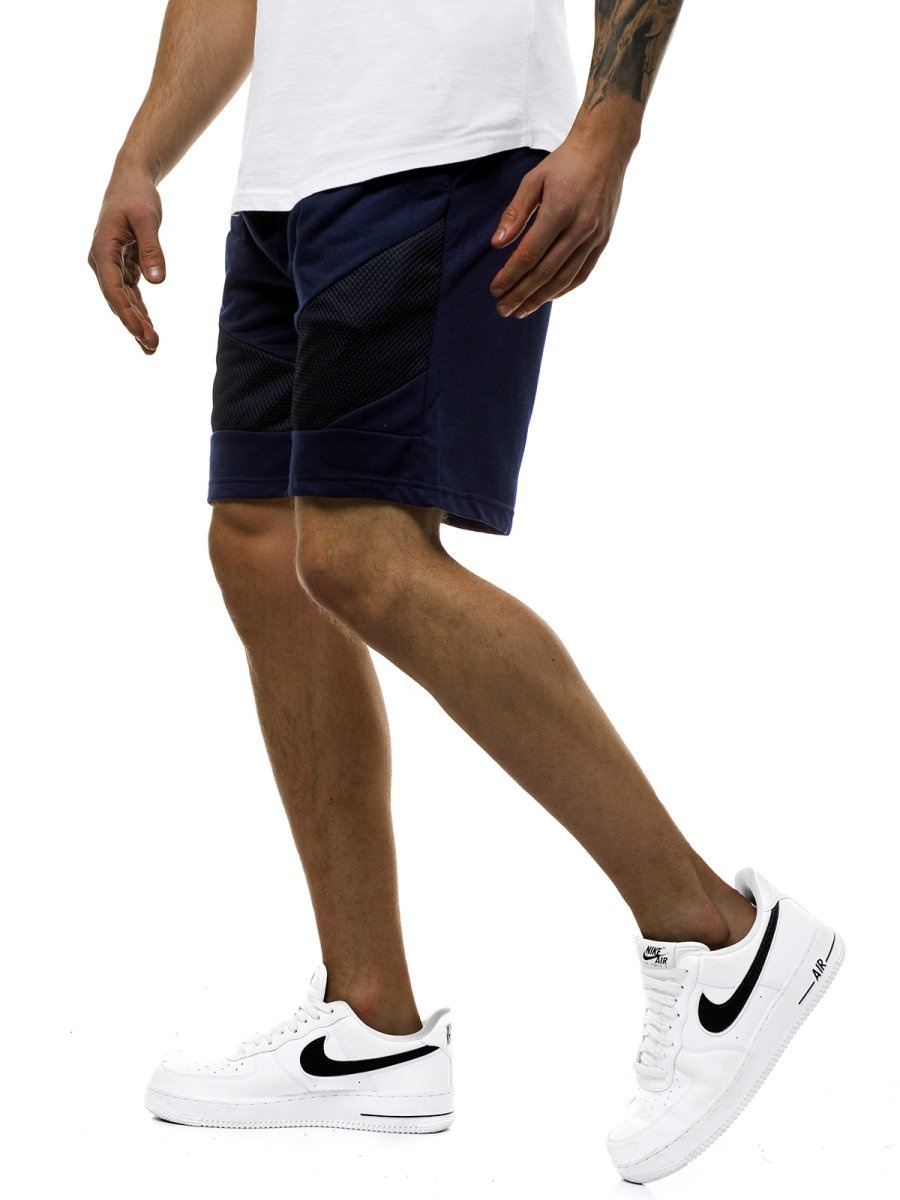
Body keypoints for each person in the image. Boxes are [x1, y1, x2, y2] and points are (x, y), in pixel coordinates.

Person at [87, 0, 844, 1183]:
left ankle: (720, 936)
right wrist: (142, 150)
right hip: (289, 177)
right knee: (259, 545)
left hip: (444, 139)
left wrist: (611, 123)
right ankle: (372, 1025)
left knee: (360, 555)